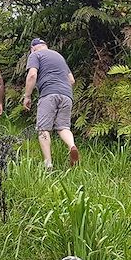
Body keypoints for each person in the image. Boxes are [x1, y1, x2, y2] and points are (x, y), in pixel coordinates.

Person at [23, 38, 80, 169]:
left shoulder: (35, 55)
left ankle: (48, 164)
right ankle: (72, 145)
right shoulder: (59, 56)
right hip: (66, 95)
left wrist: (27, 96)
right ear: (46, 46)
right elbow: (71, 80)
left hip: (49, 93)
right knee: (63, 127)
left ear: (33, 48)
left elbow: (32, 75)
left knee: (43, 129)